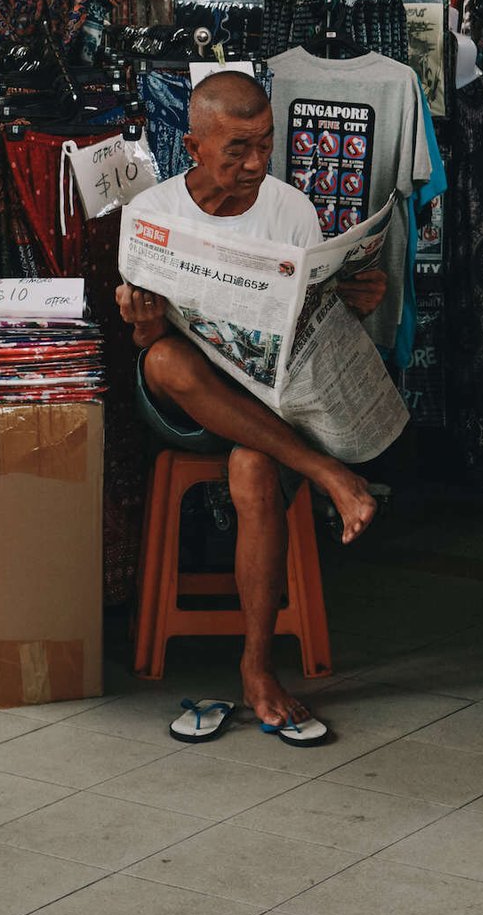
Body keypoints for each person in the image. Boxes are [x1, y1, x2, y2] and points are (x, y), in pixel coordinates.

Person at [116, 70, 387, 737]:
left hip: (273, 399)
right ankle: (329, 476)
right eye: (237, 148)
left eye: (265, 144)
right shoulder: (152, 214)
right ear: (194, 146)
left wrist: (353, 299)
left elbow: (305, 325)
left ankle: (257, 666)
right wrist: (142, 317)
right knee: (166, 358)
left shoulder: (290, 209)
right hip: (186, 407)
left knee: (254, 470)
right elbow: (149, 345)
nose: (256, 163)